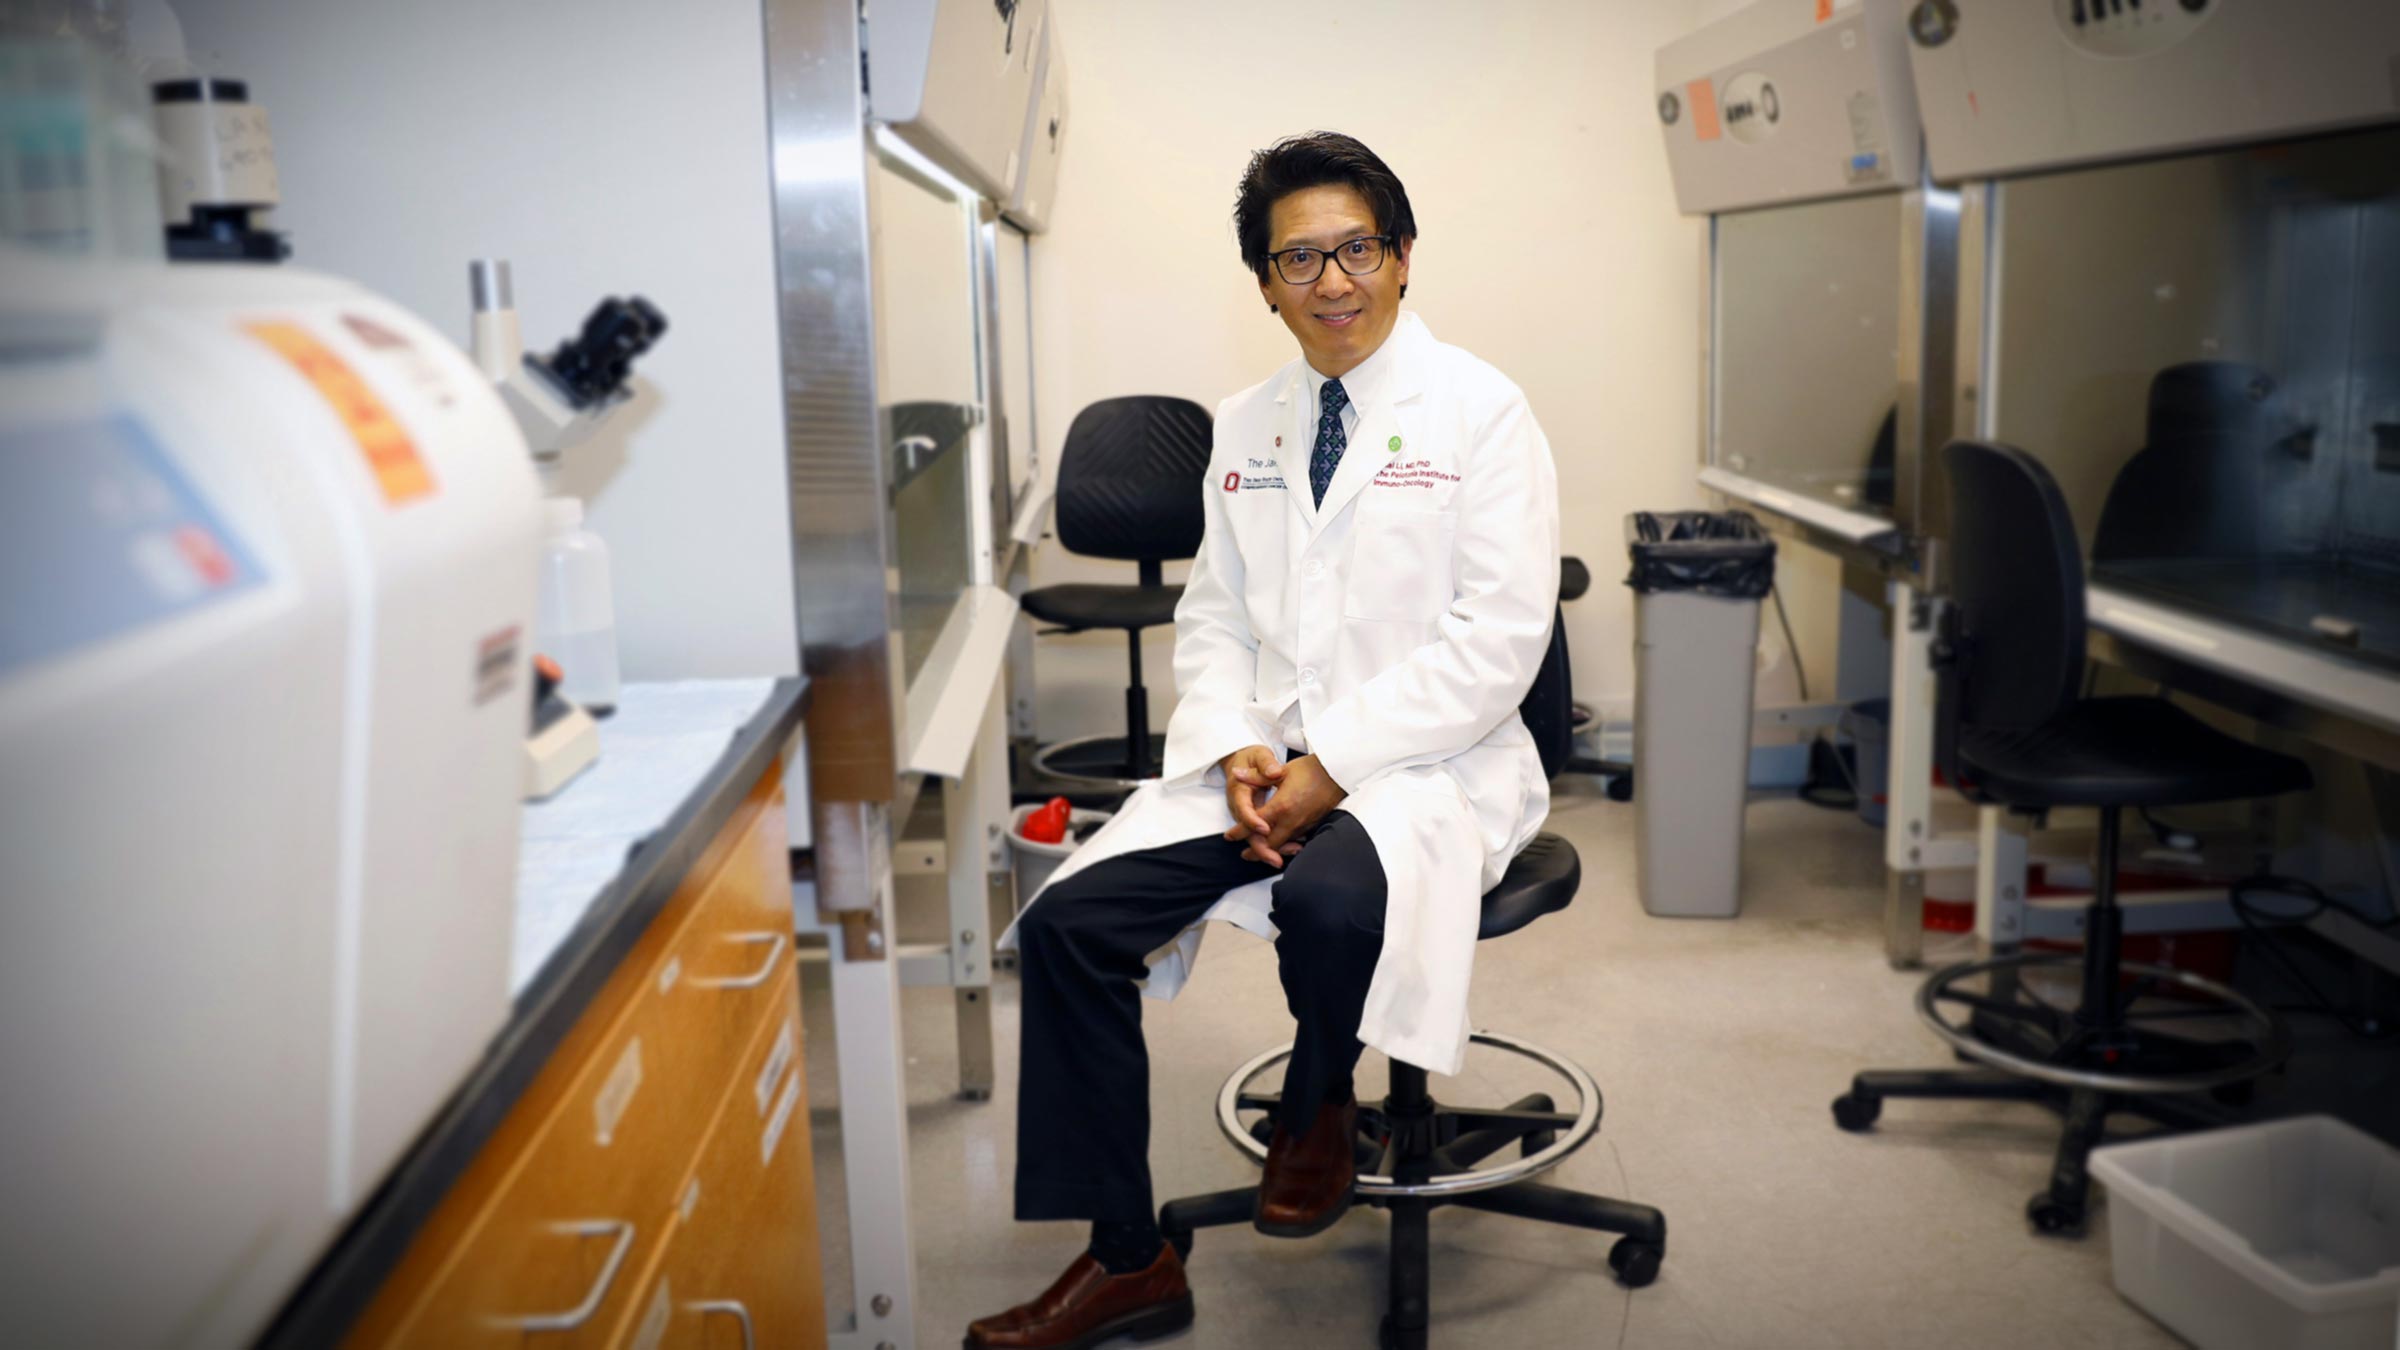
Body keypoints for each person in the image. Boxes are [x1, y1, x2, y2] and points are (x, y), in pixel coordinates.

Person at [967, 131, 1560, 1350]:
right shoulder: (1247, 424)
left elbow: (1499, 640)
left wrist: (1332, 768)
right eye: (1300, 258)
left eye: (1357, 249)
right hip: (1266, 765)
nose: (1332, 281)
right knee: (1073, 928)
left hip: (1429, 765)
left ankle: (1318, 1093)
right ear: (1264, 282)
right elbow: (1218, 617)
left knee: (1333, 905)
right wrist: (1238, 742)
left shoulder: (1482, 410)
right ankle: (1129, 1261)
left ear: (1401, 260)